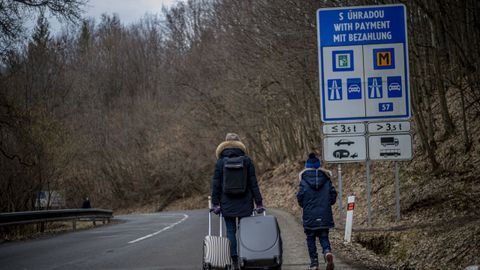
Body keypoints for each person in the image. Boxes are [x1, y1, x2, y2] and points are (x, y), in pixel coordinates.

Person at [211, 133, 264, 270]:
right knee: (245, 230)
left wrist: (215, 204)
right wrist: (259, 203)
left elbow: (216, 185)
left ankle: (234, 259)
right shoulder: (247, 161)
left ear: (224, 145)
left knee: (230, 231)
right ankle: (246, 257)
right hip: (245, 202)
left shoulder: (220, 162)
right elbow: (253, 183)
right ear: (240, 144)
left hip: (226, 202)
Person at [297, 153, 337, 270]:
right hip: (324, 214)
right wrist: (327, 203)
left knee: (310, 238)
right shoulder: (327, 179)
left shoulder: (303, 181)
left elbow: (300, 197)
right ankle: (327, 252)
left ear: (307, 166)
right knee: (324, 236)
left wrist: (304, 205)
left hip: (309, 216)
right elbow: (333, 195)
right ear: (319, 165)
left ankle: (314, 263)